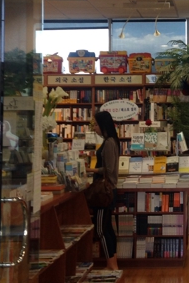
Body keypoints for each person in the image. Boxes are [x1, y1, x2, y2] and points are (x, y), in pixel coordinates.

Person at [86, 111, 120, 271]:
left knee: (100, 229)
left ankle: (111, 265)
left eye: (96, 124)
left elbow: (109, 169)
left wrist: (92, 170)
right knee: (107, 228)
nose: (94, 128)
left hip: (103, 192)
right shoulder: (112, 141)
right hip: (108, 191)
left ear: (103, 125)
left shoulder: (109, 143)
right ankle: (112, 263)